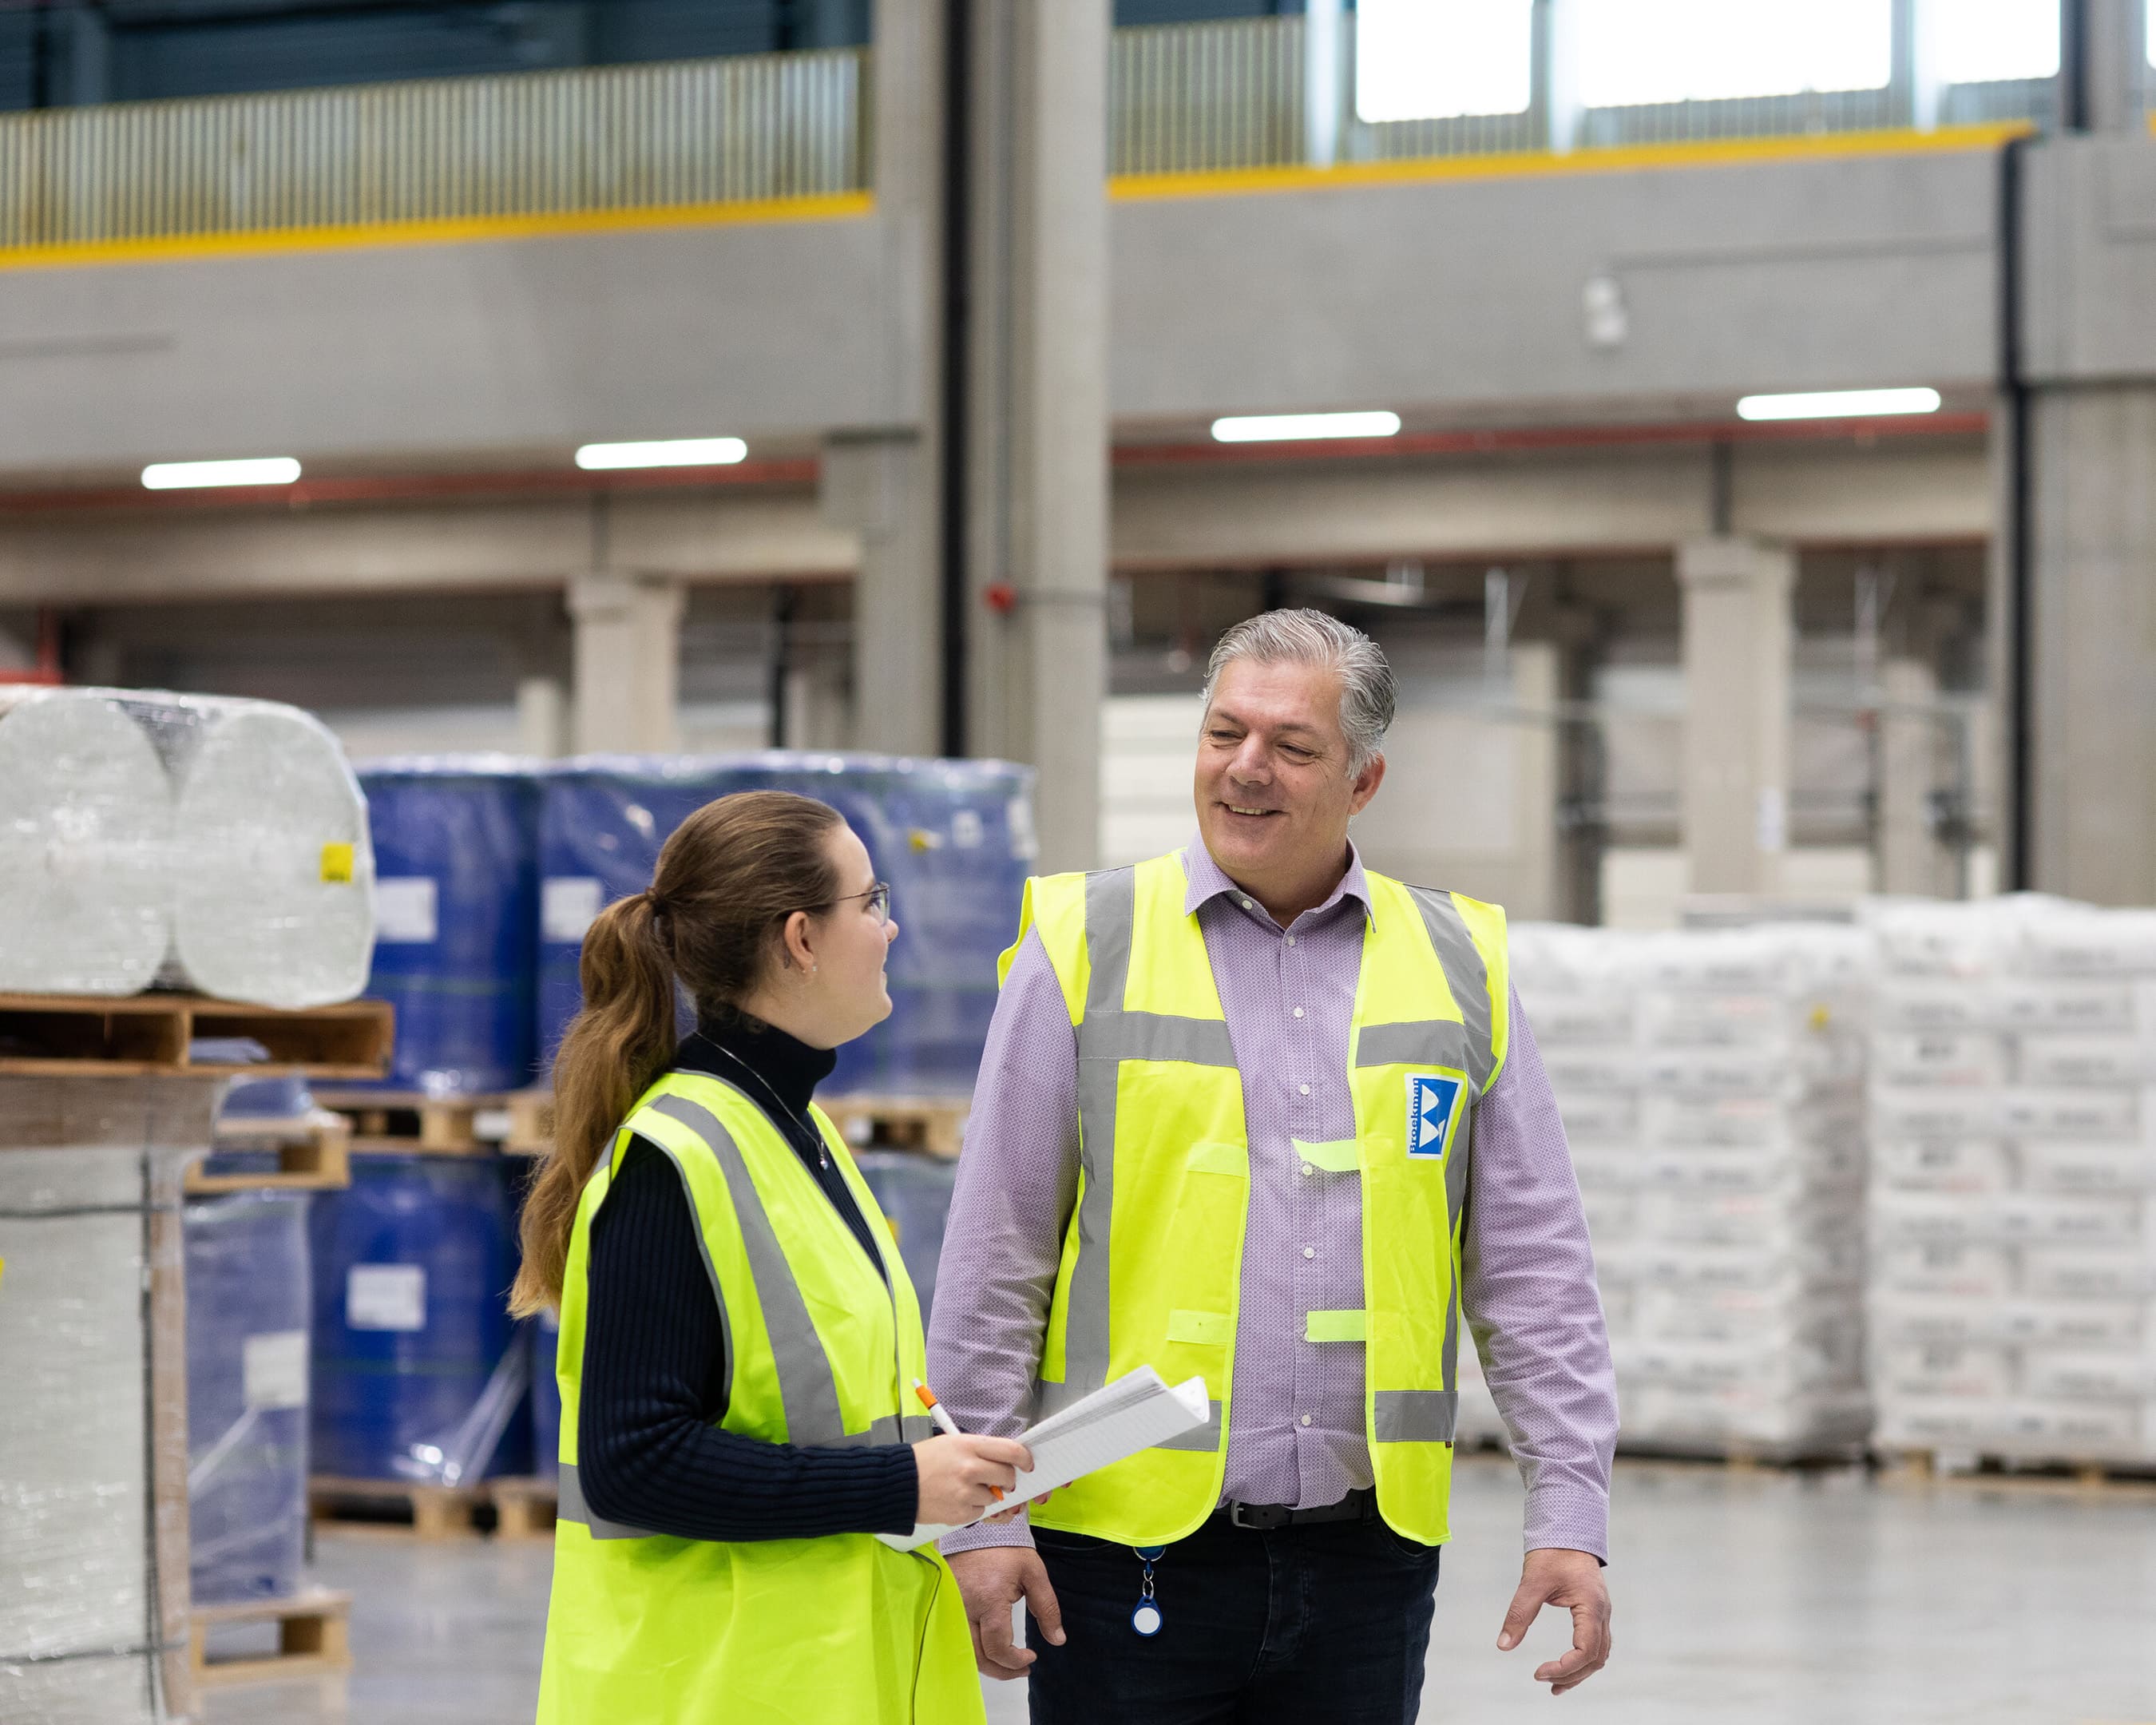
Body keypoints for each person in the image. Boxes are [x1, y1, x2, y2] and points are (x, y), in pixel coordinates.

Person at [927, 609, 1619, 1723]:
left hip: (1367, 1568)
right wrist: (983, 1516)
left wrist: (1570, 1519)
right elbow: (995, 1256)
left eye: (1292, 747)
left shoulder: (1459, 964)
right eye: (1223, 733)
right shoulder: (1086, 940)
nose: (1247, 768)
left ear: (1363, 779)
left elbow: (1535, 1273)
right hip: (1121, 1559)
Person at [511, 790, 1026, 1725]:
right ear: (800, 938)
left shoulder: (801, 1132)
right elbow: (634, 1459)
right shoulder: (674, 1161)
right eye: (869, 902)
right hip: (717, 1684)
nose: (890, 925)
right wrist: (902, 1484)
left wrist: (959, 1497)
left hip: (830, 1671)